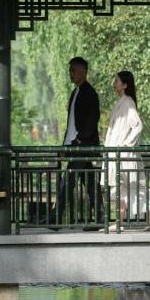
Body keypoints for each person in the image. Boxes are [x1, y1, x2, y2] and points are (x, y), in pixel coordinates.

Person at [104, 70, 150, 228]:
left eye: (117, 81)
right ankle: (120, 222)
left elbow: (138, 125)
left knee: (132, 187)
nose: (114, 84)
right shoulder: (122, 102)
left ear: (125, 85)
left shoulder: (127, 103)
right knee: (121, 188)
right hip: (117, 153)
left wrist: (126, 144)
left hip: (124, 154)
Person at [56, 56, 101, 225]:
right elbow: (71, 125)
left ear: (83, 72)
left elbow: (92, 119)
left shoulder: (89, 93)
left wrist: (80, 140)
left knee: (67, 182)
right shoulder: (75, 92)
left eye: (73, 70)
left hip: (82, 146)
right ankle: (101, 215)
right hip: (76, 145)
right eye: (70, 70)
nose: (71, 73)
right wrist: (65, 145)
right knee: (89, 183)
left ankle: (56, 216)